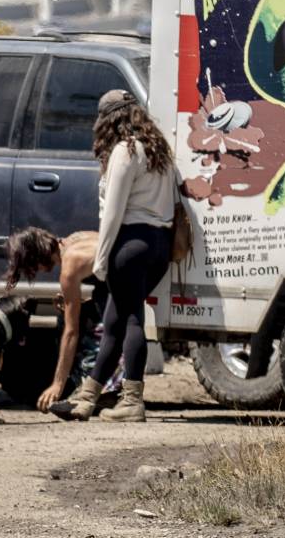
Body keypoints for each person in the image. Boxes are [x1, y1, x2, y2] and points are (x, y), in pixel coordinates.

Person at [54, 89, 177, 423]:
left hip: (130, 243)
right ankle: (88, 397)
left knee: (130, 319)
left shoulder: (126, 150)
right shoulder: (159, 150)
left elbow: (113, 212)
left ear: (110, 119)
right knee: (115, 321)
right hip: (159, 244)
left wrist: (101, 259)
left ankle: (132, 401)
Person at [2, 228, 125, 413]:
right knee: (84, 315)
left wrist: (57, 385)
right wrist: (81, 304)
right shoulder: (75, 238)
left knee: (74, 330)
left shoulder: (69, 267)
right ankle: (104, 388)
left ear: (36, 258)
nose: (38, 272)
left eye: (33, 267)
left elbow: (71, 332)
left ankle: (98, 389)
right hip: (134, 272)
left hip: (127, 286)